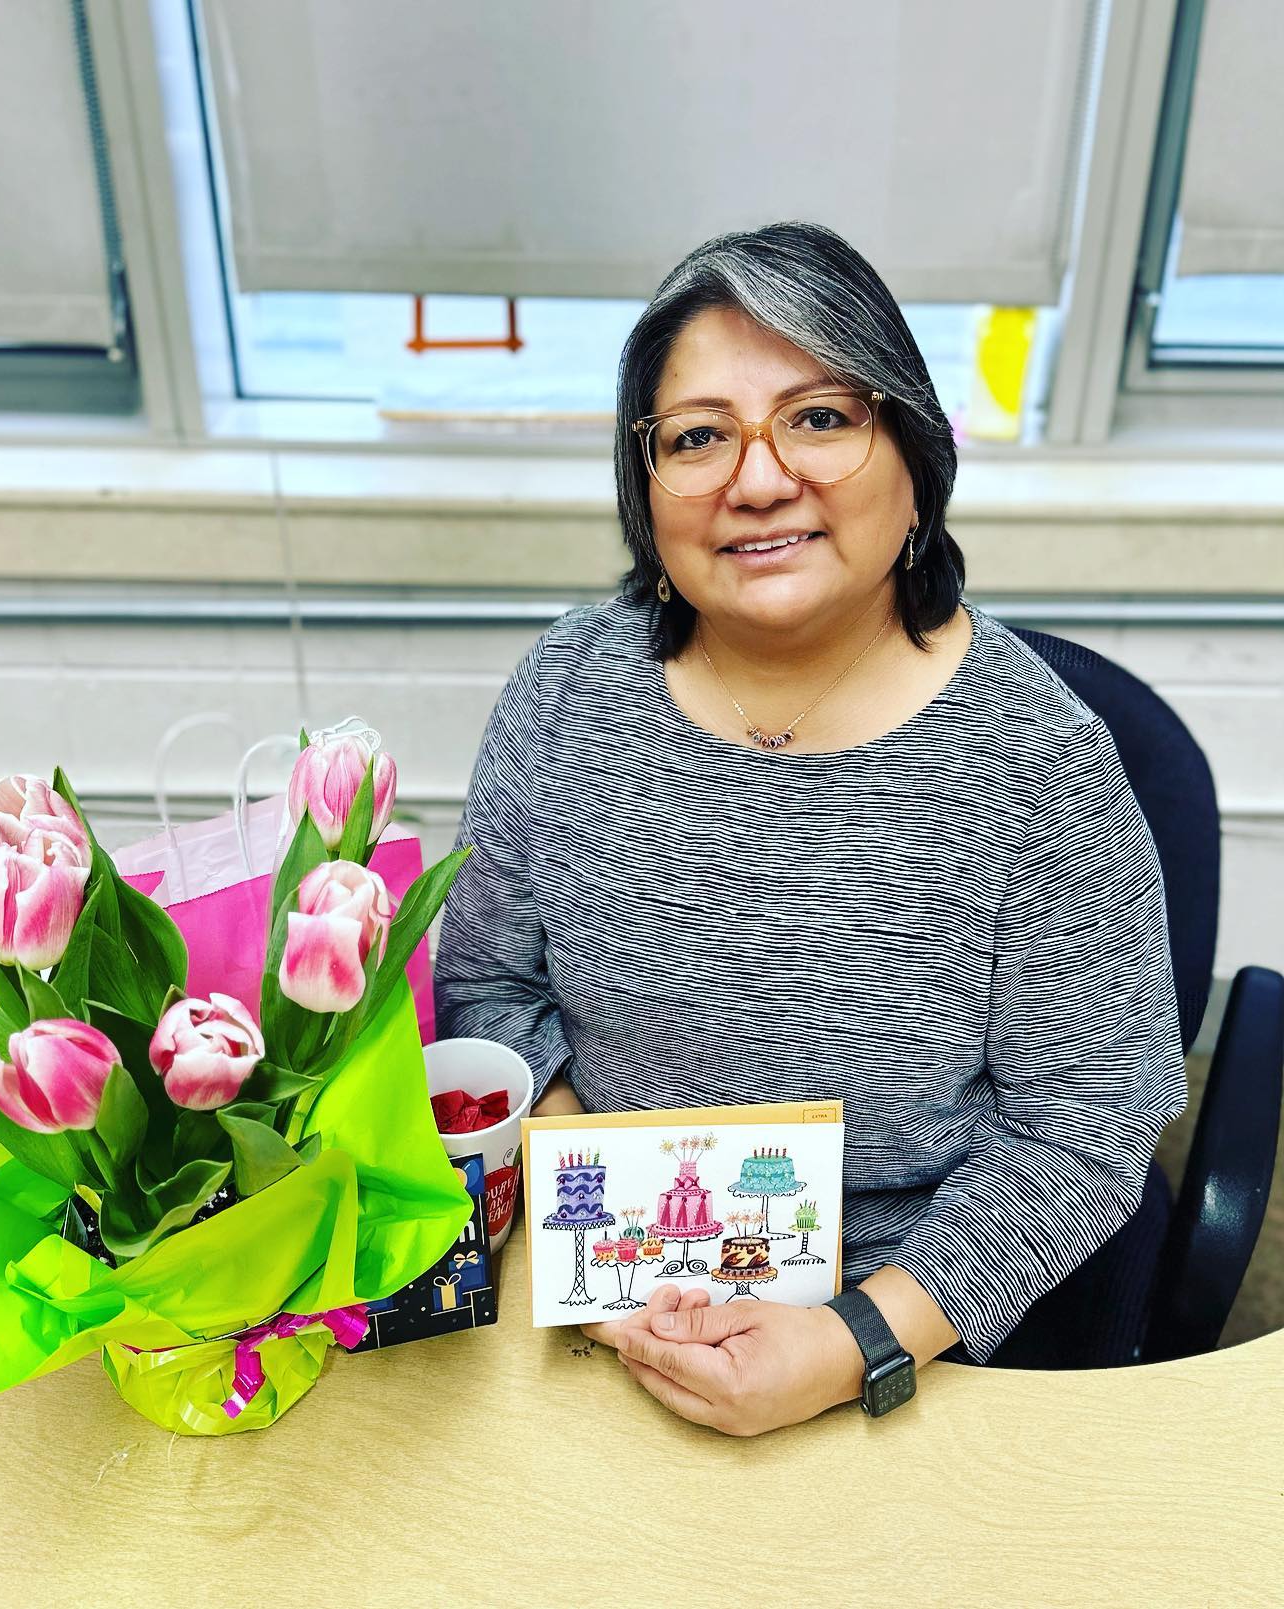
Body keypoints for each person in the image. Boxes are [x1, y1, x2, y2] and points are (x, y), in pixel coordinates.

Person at [434, 221, 1185, 1435]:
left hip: (907, 1334)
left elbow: (1084, 1128)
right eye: (697, 437)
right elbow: (487, 986)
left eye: (820, 417)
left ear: (917, 454)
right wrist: (592, 1225)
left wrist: (856, 1342)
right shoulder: (564, 693)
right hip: (600, 1299)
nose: (759, 477)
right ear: (648, 496)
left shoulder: (1037, 762)